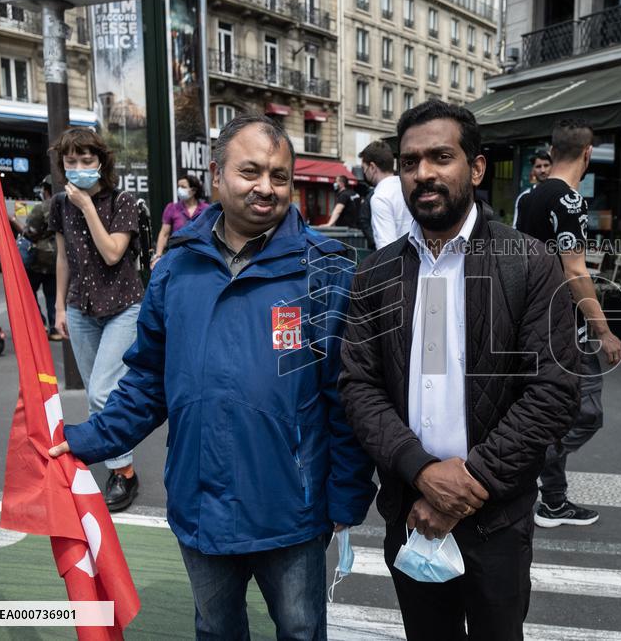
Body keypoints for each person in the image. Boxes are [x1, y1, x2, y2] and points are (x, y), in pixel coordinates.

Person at [48, 114, 376, 639]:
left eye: (279, 176)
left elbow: (348, 396)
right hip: (200, 501)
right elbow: (147, 381)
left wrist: (346, 496)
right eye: (250, 172)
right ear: (217, 175)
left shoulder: (326, 269)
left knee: (300, 628)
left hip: (292, 509)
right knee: (217, 628)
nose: (266, 188)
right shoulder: (176, 270)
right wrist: (84, 441)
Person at [339, 100, 580, 641]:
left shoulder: (530, 263)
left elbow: (554, 390)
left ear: (475, 168)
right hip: (412, 513)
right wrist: (422, 473)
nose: (423, 173)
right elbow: (359, 386)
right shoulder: (376, 274)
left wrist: (470, 482)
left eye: (440, 157)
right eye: (409, 162)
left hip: (495, 516)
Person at [515, 119, 621, 529]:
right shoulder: (571, 202)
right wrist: (604, 331)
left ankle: (554, 501)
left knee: (554, 410)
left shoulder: (531, 198)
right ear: (587, 153)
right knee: (587, 413)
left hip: (533, 321)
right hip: (565, 328)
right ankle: (519, 469)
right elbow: (576, 272)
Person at [48, 127, 144, 512]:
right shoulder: (59, 204)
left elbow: (111, 253)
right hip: (80, 307)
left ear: (101, 162)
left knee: (105, 391)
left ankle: (124, 472)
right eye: (71, 162)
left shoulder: (123, 201)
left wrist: (88, 206)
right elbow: (62, 257)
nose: (79, 168)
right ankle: (111, 462)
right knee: (94, 394)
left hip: (123, 305)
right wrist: (58, 306)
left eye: (87, 160)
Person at [23, 179, 62, 340]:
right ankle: (55, 328)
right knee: (53, 294)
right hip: (58, 258)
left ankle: (40, 324)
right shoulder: (65, 205)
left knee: (29, 293)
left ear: (46, 190)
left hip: (39, 258)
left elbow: (30, 231)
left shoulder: (41, 208)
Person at [361, 140, 413, 247]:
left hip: (401, 261)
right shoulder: (407, 186)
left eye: (364, 169)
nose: (364, 173)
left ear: (372, 167)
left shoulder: (380, 197)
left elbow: (386, 248)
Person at [151, 174, 208, 269]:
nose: (179, 189)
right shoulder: (172, 208)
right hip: (177, 258)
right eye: (178, 186)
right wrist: (158, 256)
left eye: (183, 187)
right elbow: (164, 234)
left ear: (193, 190)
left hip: (202, 258)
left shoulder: (206, 209)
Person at [512, 150, 551, 228]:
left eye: (546, 165)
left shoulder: (559, 193)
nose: (542, 170)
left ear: (552, 167)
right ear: (533, 170)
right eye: (538, 166)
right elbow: (516, 228)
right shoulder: (525, 197)